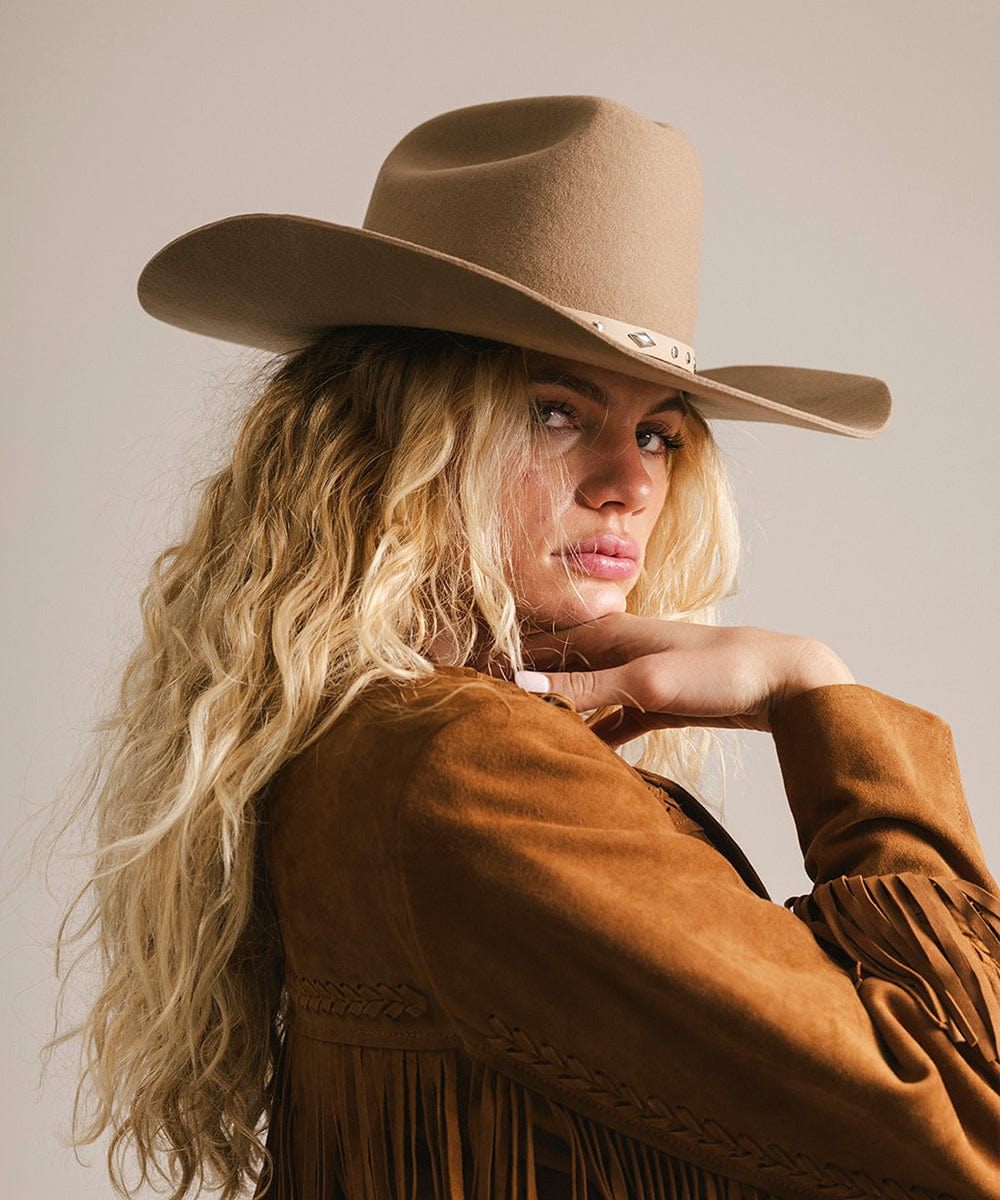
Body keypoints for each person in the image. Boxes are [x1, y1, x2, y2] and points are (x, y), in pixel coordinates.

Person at [52, 96, 999, 1200]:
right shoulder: (469, 765)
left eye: (657, 431)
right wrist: (820, 698)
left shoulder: (356, 738)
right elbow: (967, 1125)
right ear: (394, 438)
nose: (631, 481)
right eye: (557, 410)